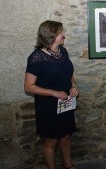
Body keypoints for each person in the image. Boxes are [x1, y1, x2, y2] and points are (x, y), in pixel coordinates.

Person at [24, 20, 79, 169]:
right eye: (61, 32)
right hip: (48, 106)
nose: (64, 35)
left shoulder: (63, 52)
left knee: (66, 137)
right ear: (51, 35)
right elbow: (29, 86)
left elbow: (69, 73)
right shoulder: (36, 57)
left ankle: (69, 166)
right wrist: (53, 92)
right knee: (51, 142)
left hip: (65, 103)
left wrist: (73, 85)